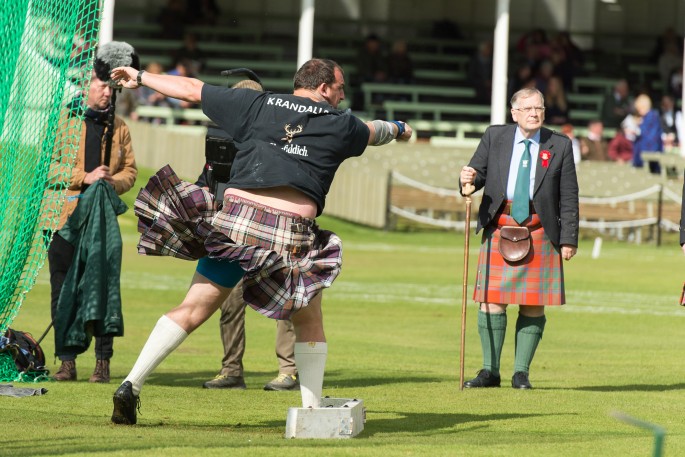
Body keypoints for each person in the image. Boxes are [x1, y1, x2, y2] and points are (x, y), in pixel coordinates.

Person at [108, 58, 413, 425]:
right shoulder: (341, 123)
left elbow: (190, 89)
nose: (342, 96)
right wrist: (400, 128)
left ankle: (131, 383)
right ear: (323, 88)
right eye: (340, 88)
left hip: (234, 221)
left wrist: (139, 77)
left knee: (191, 309)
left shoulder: (257, 104)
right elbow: (374, 131)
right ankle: (312, 411)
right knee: (309, 321)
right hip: (288, 234)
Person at [459, 87, 579, 390]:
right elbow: (477, 174)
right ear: (514, 113)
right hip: (500, 225)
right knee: (490, 302)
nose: (534, 114)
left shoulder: (559, 144)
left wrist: (569, 238)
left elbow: (569, 195)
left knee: (533, 304)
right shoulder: (495, 136)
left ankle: (521, 373)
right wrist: (466, 180)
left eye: (539, 108)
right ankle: (489, 371)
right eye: (527, 109)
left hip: (540, 228)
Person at [192, 79, 299, 391]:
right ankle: (231, 371)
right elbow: (207, 180)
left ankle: (288, 371)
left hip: (272, 229)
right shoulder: (222, 141)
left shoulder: (279, 139)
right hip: (231, 231)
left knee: (284, 303)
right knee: (229, 304)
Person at [48, 71, 138, 383]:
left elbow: (130, 171)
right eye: (100, 86)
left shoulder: (120, 127)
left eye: (110, 88)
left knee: (103, 289)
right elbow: (47, 167)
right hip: (65, 221)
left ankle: (103, 363)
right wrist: (83, 177)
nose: (106, 92)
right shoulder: (64, 121)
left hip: (102, 221)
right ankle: (67, 362)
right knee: (62, 291)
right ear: (86, 87)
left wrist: (113, 182)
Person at [631, 94, 663, 173]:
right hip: (643, 149)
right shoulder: (645, 117)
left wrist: (638, 129)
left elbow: (651, 136)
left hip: (649, 151)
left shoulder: (652, 116)